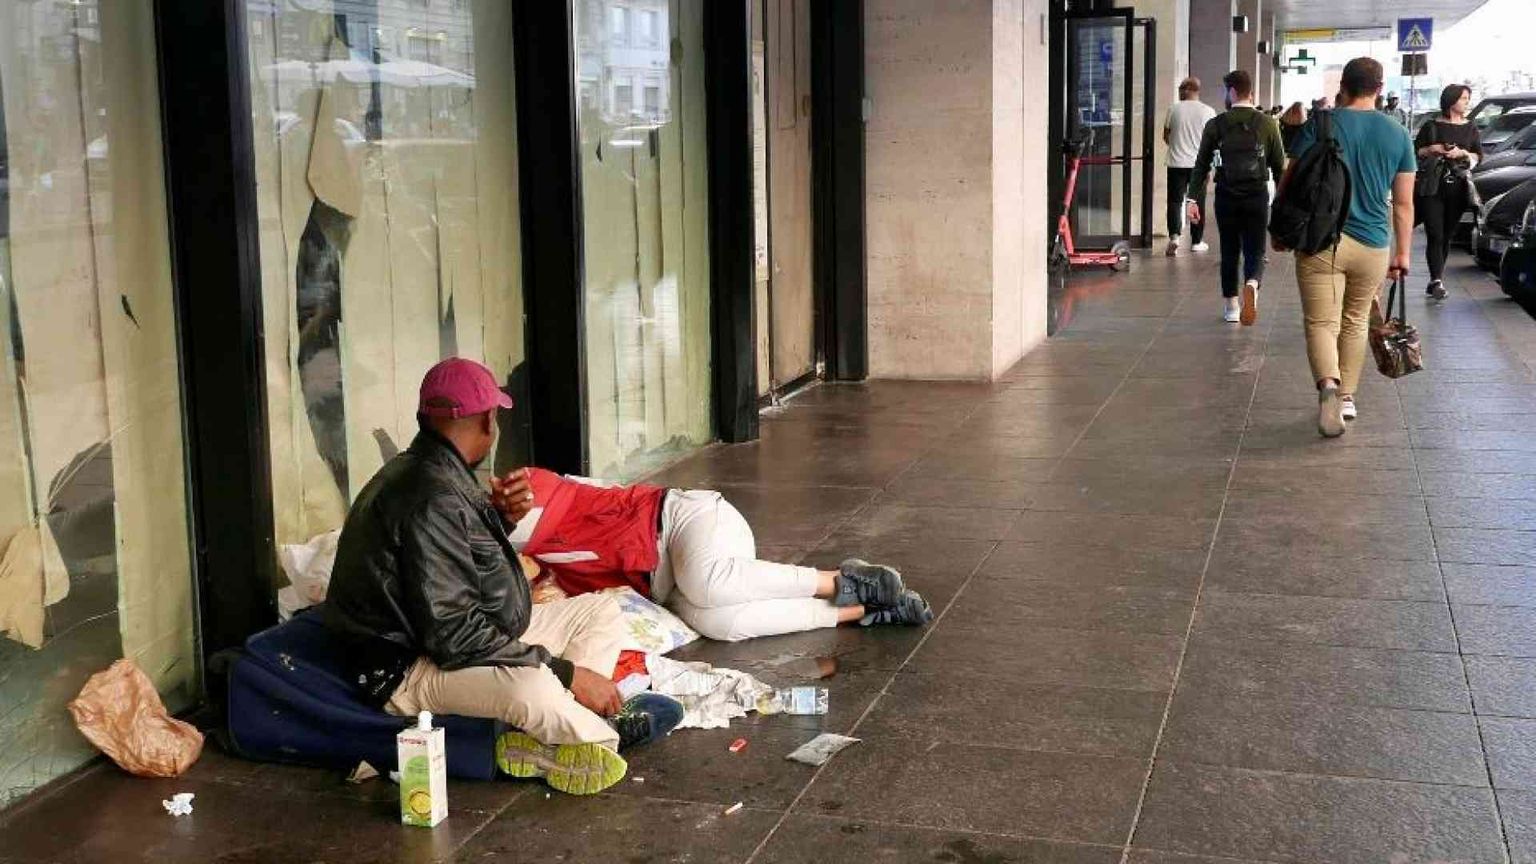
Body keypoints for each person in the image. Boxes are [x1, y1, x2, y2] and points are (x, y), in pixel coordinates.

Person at [322, 358, 684, 796]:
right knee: (535, 686)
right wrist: (567, 672)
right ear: (488, 421)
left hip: (467, 634)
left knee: (600, 611)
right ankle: (599, 737)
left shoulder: (434, 470)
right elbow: (452, 635)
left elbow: (452, 567)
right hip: (409, 667)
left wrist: (500, 519)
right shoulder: (429, 493)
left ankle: (558, 731)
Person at [488, 468, 935, 644]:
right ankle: (861, 610)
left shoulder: (528, 492)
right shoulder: (526, 565)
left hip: (687, 522)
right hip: (665, 584)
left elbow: (513, 528)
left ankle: (840, 580)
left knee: (708, 582)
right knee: (720, 624)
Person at [1281, 58, 1416, 436]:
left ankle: (1328, 386)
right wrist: (1402, 253)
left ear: (1345, 85)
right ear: (1379, 86)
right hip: (1373, 243)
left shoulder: (1320, 125)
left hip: (1321, 240)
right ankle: (1347, 398)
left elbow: (1290, 181)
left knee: (1321, 322)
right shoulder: (1397, 133)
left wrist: (1282, 229)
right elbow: (1404, 203)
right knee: (1355, 322)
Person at [1186, 70, 1286, 324]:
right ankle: (1252, 282)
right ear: (1250, 91)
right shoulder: (1267, 123)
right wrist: (1283, 202)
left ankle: (1231, 306)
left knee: (1229, 250)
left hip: (1226, 195)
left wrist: (1192, 200)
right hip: (1256, 195)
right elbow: (1278, 166)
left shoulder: (1216, 124)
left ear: (1231, 92)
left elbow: (1201, 165)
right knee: (1255, 248)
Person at [1415, 84, 1483, 300]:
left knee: (1446, 236)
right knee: (1434, 233)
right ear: (1451, 100)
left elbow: (1479, 156)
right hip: (1433, 187)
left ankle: (1437, 277)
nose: (1466, 102)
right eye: (1463, 98)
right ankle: (1436, 281)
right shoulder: (1431, 126)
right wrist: (1432, 149)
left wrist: (1461, 152)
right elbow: (1415, 152)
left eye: (1467, 98)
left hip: (1458, 187)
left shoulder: (1471, 127)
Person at [1163, 77, 1217, 257]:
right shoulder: (1208, 111)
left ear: (1187, 89)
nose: (1179, 92)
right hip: (1198, 166)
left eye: (1180, 88)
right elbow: (1213, 142)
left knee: (1174, 201)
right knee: (1196, 203)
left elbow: (1166, 136)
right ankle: (1196, 241)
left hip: (1176, 163)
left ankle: (1174, 237)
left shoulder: (1173, 108)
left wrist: (1178, 143)